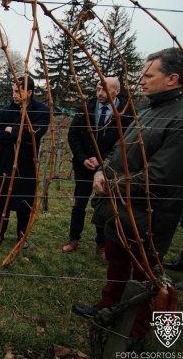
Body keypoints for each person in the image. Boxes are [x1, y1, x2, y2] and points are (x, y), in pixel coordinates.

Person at [72, 48, 183, 353]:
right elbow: (121, 148)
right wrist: (103, 172)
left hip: (150, 214)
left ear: (172, 79)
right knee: (116, 261)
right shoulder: (148, 110)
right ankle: (108, 308)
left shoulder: (179, 118)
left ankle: (137, 329)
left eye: (149, 75)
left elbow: (159, 175)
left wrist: (112, 184)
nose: (141, 82)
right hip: (121, 208)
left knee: (145, 274)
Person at [62, 77, 133, 258]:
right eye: (98, 89)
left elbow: (124, 143)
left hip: (110, 169)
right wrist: (82, 157)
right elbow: (73, 135)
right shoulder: (84, 109)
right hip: (84, 166)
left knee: (104, 205)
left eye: (105, 90)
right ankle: (73, 237)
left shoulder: (126, 113)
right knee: (79, 203)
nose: (100, 93)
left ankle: (102, 242)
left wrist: (103, 164)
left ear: (116, 91)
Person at [0, 75, 49, 249]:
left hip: (26, 163)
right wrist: (21, 134)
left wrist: (12, 129)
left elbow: (35, 133)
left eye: (18, 91)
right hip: (6, 161)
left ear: (28, 92)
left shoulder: (41, 111)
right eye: (13, 90)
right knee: (3, 199)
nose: (14, 94)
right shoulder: (7, 110)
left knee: (24, 201)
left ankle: (21, 236)